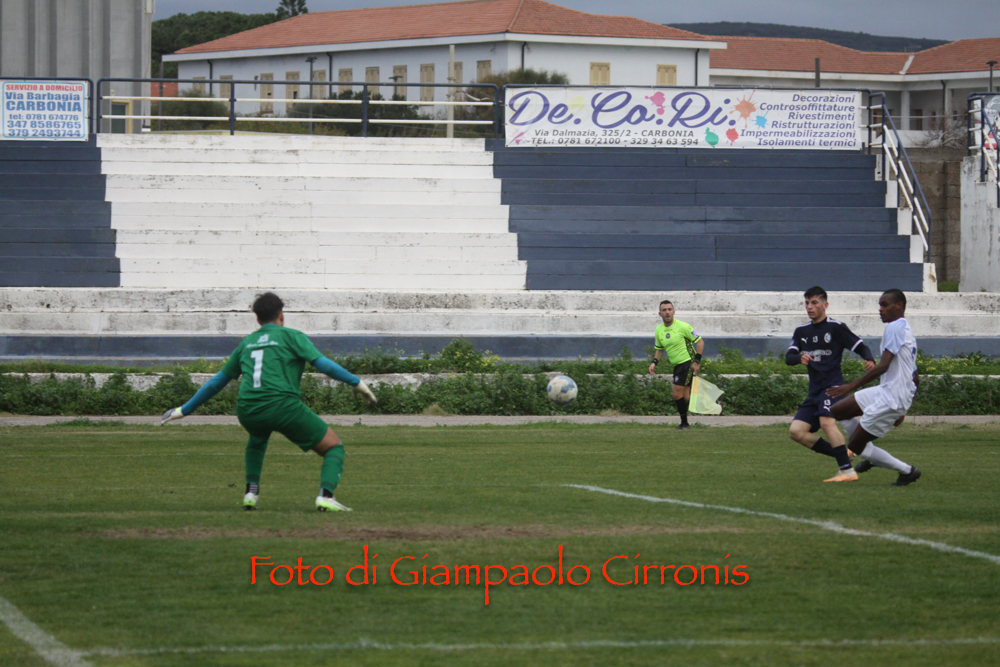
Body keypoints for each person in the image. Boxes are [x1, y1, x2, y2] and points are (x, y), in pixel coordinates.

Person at [160, 292, 377, 511]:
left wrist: (184, 410)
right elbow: (323, 364)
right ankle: (326, 497)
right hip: (282, 406)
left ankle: (250, 493)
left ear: (257, 319)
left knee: (257, 438)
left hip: (248, 409)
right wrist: (356, 382)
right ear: (281, 314)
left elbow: (217, 382)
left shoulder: (247, 343)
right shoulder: (292, 336)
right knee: (333, 448)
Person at [827, 289, 922, 486]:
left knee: (855, 445)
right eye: (880, 305)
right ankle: (872, 457)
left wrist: (851, 386)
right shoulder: (904, 329)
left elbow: (883, 366)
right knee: (838, 411)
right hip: (887, 392)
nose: (880, 309)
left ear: (899, 306)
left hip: (892, 398)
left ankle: (907, 471)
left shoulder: (895, 327)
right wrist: (905, 407)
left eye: (884, 305)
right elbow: (915, 375)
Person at [786, 286, 876, 482]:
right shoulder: (801, 331)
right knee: (796, 432)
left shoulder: (836, 328)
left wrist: (869, 358)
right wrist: (799, 357)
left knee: (827, 423)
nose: (809, 307)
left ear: (825, 305)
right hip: (814, 392)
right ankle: (845, 455)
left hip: (833, 388)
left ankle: (847, 471)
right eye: (807, 303)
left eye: (814, 303)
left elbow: (860, 346)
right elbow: (788, 357)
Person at [648, 300, 705, 430]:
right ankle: (707, 402)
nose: (667, 312)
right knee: (685, 396)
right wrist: (654, 362)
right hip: (677, 365)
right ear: (660, 314)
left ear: (674, 312)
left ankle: (684, 423)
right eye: (664, 310)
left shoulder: (683, 326)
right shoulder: (659, 330)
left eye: (669, 309)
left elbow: (700, 342)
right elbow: (660, 349)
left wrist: (696, 362)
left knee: (676, 394)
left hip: (687, 362)